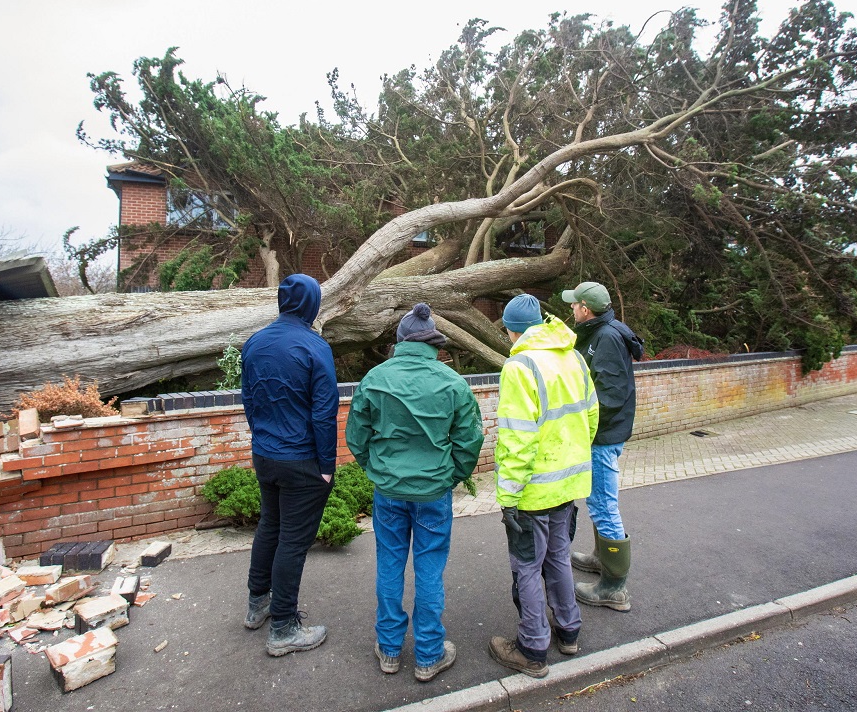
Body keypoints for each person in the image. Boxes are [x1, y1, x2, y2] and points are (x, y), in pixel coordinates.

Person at [345, 303, 484, 682]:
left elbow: (356, 437)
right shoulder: (453, 383)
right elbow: (470, 441)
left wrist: (377, 470)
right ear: (434, 343)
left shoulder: (374, 379)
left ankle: (389, 650)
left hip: (388, 490)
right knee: (429, 570)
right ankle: (428, 655)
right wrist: (448, 476)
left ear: (401, 341)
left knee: (389, 565)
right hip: (432, 492)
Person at [488, 293, 598, 679]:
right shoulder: (574, 356)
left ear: (510, 328)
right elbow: (591, 417)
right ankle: (569, 631)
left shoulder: (519, 365)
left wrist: (508, 496)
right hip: (569, 483)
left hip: (533, 490)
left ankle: (532, 649)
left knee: (527, 568)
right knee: (558, 558)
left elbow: (518, 439)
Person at [240, 273, 339, 657]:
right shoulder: (315, 347)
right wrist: (326, 465)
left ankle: (257, 605)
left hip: (265, 454)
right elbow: (324, 412)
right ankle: (283, 627)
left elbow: (248, 399)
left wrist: (263, 436)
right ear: (311, 303)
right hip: (301, 460)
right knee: (292, 542)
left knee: (270, 527)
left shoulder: (255, 342)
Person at [560, 281, 644, 611]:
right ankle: (600, 558)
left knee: (603, 504)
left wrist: (584, 425)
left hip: (602, 436)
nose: (571, 309)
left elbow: (608, 395)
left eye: (574, 304)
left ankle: (613, 587)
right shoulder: (600, 331)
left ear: (586, 309)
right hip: (603, 434)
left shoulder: (606, 338)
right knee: (599, 501)